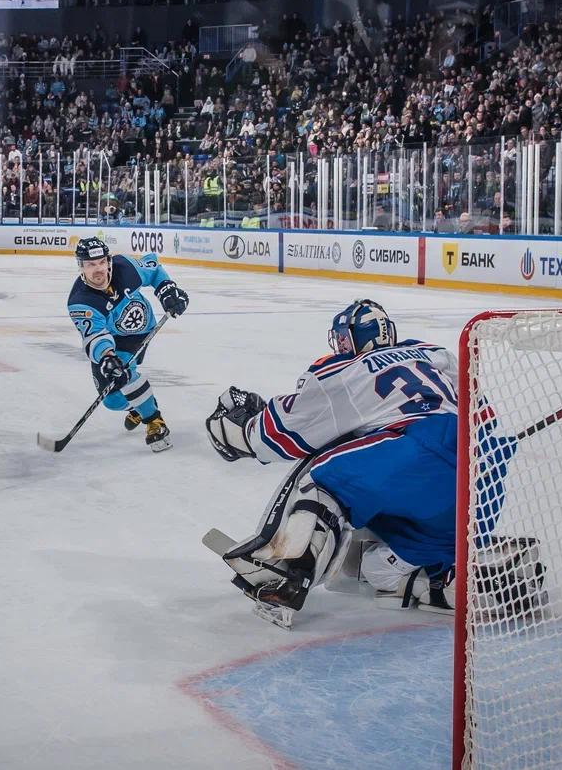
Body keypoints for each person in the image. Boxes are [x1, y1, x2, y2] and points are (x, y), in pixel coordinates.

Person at [204, 299, 527, 625]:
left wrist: (239, 429)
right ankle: (444, 582)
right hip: (482, 481)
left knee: (323, 474)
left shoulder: (347, 371)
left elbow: (279, 435)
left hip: (420, 455)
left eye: (344, 338)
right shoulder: (434, 354)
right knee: (377, 568)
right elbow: (484, 415)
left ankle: (286, 573)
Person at [67, 237, 189, 452]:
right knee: (112, 401)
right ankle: (139, 406)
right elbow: (95, 335)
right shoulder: (81, 300)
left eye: (102, 262)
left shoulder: (125, 267)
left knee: (125, 373)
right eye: (91, 265)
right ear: (81, 267)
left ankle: (154, 421)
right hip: (111, 339)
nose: (98, 270)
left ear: (108, 261)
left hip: (140, 330)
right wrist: (107, 357)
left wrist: (167, 290)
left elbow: (153, 269)